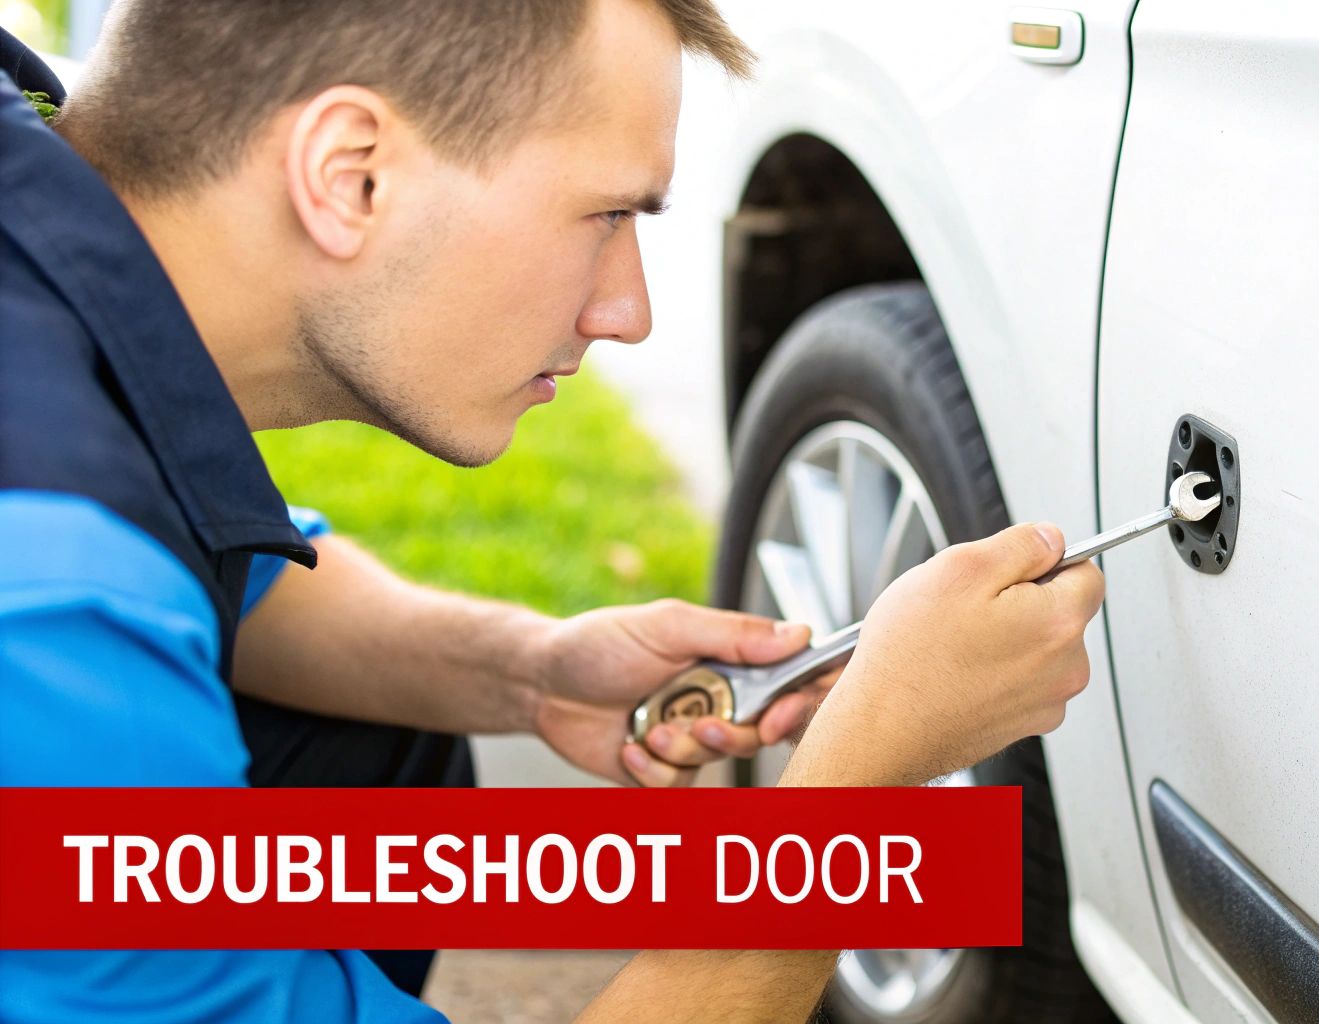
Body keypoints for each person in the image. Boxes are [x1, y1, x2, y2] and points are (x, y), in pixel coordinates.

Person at [0, 1, 1105, 1021]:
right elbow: (101, 583)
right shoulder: (45, 601)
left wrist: (526, 671)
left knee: (377, 746)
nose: (627, 311)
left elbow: (200, 557)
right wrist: (854, 790)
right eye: (606, 211)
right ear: (350, 177)